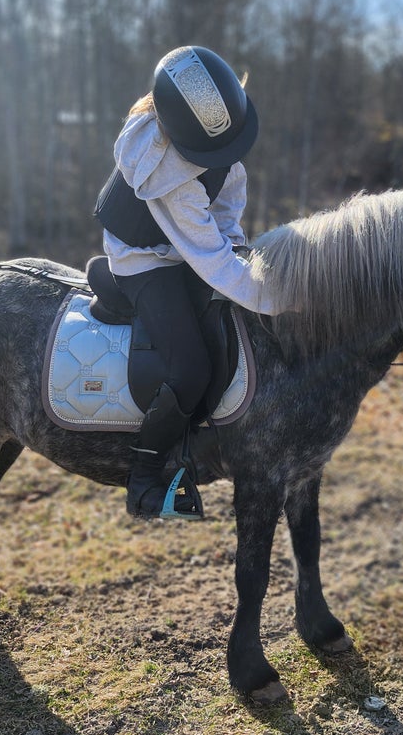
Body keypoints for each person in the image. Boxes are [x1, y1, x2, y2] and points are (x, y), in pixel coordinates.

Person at [93, 45, 286, 521]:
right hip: (143, 261)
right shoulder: (169, 175)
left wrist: (246, 256)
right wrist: (275, 297)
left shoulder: (220, 141)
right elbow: (208, 256)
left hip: (184, 246)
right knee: (191, 366)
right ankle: (143, 479)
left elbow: (225, 216)